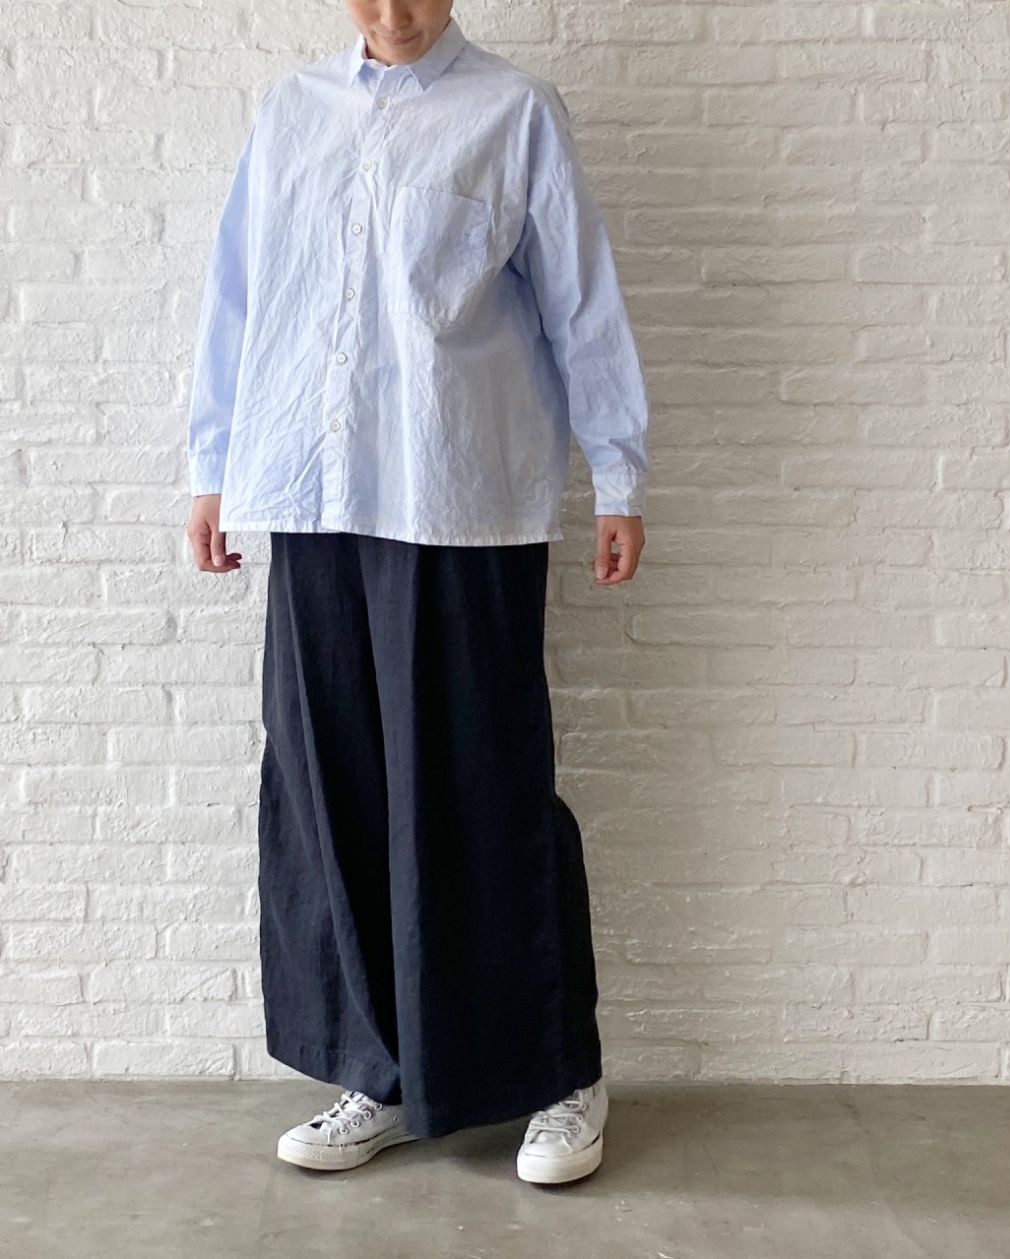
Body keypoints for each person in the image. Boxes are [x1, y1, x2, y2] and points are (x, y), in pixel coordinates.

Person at [183, 0, 648, 1186]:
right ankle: (380, 1067)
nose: (393, 13)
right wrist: (212, 469)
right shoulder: (292, 113)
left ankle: (559, 1070)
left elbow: (580, 300)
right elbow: (239, 296)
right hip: (310, 491)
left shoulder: (513, 113)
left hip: (459, 499)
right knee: (331, 783)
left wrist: (617, 471)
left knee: (485, 785)